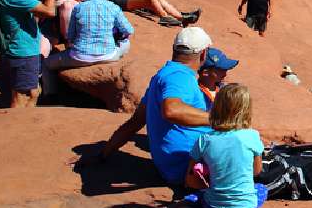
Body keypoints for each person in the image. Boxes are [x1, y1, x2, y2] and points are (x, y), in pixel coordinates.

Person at [118, 83, 267, 208]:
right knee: (261, 189)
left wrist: (207, 181)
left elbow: (190, 180)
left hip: (214, 206)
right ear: (246, 110)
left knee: (194, 198)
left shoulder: (205, 140)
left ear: (217, 108)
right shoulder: (252, 136)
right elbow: (256, 171)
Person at [91, 28, 229, 185]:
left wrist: (103, 154)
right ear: (203, 54)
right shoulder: (179, 76)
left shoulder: (162, 76)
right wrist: (220, 120)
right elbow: (171, 110)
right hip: (188, 165)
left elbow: (134, 123)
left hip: (175, 164)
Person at [0, 0, 57, 108]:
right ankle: (16, 120)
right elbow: (50, 11)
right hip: (23, 51)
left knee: (32, 92)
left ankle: (22, 119)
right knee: (23, 95)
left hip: (20, 49)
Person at [44, 0, 134, 73]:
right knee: (126, 43)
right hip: (108, 55)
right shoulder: (114, 7)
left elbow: (71, 36)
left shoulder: (78, 8)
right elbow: (129, 30)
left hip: (80, 56)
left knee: (46, 63)